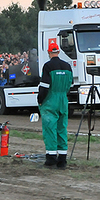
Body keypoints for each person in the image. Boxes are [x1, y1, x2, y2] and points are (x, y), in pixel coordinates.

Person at [37, 41, 73, 169]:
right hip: (63, 100)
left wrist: (40, 99)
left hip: (50, 100)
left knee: (50, 129)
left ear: (49, 53)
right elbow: (70, 84)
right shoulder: (67, 66)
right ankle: (62, 160)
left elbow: (45, 86)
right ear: (58, 51)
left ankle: (51, 159)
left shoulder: (48, 66)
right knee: (62, 129)